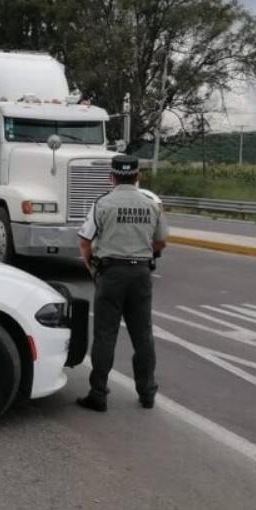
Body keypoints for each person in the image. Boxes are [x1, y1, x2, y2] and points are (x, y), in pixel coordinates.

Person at [76, 155, 168, 412]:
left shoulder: (103, 203)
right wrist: (146, 254)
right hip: (140, 274)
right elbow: (161, 242)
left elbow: (84, 243)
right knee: (143, 335)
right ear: (138, 176)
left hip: (111, 273)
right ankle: (147, 393)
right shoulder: (150, 204)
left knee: (105, 335)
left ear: (111, 177)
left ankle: (98, 394)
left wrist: (93, 269)